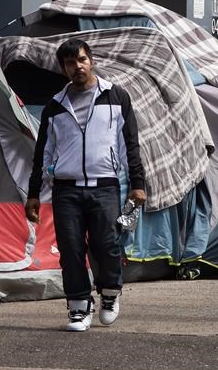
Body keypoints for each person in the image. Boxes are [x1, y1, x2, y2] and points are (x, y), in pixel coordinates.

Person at [25, 38, 147, 332]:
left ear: (91, 60)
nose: (77, 67)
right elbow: (42, 152)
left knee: (106, 244)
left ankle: (109, 293)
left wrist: (137, 183)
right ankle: (79, 306)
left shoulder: (116, 97)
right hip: (66, 189)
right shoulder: (55, 106)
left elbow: (130, 143)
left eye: (81, 60)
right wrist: (32, 194)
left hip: (104, 185)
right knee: (70, 248)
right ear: (63, 68)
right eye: (70, 63)